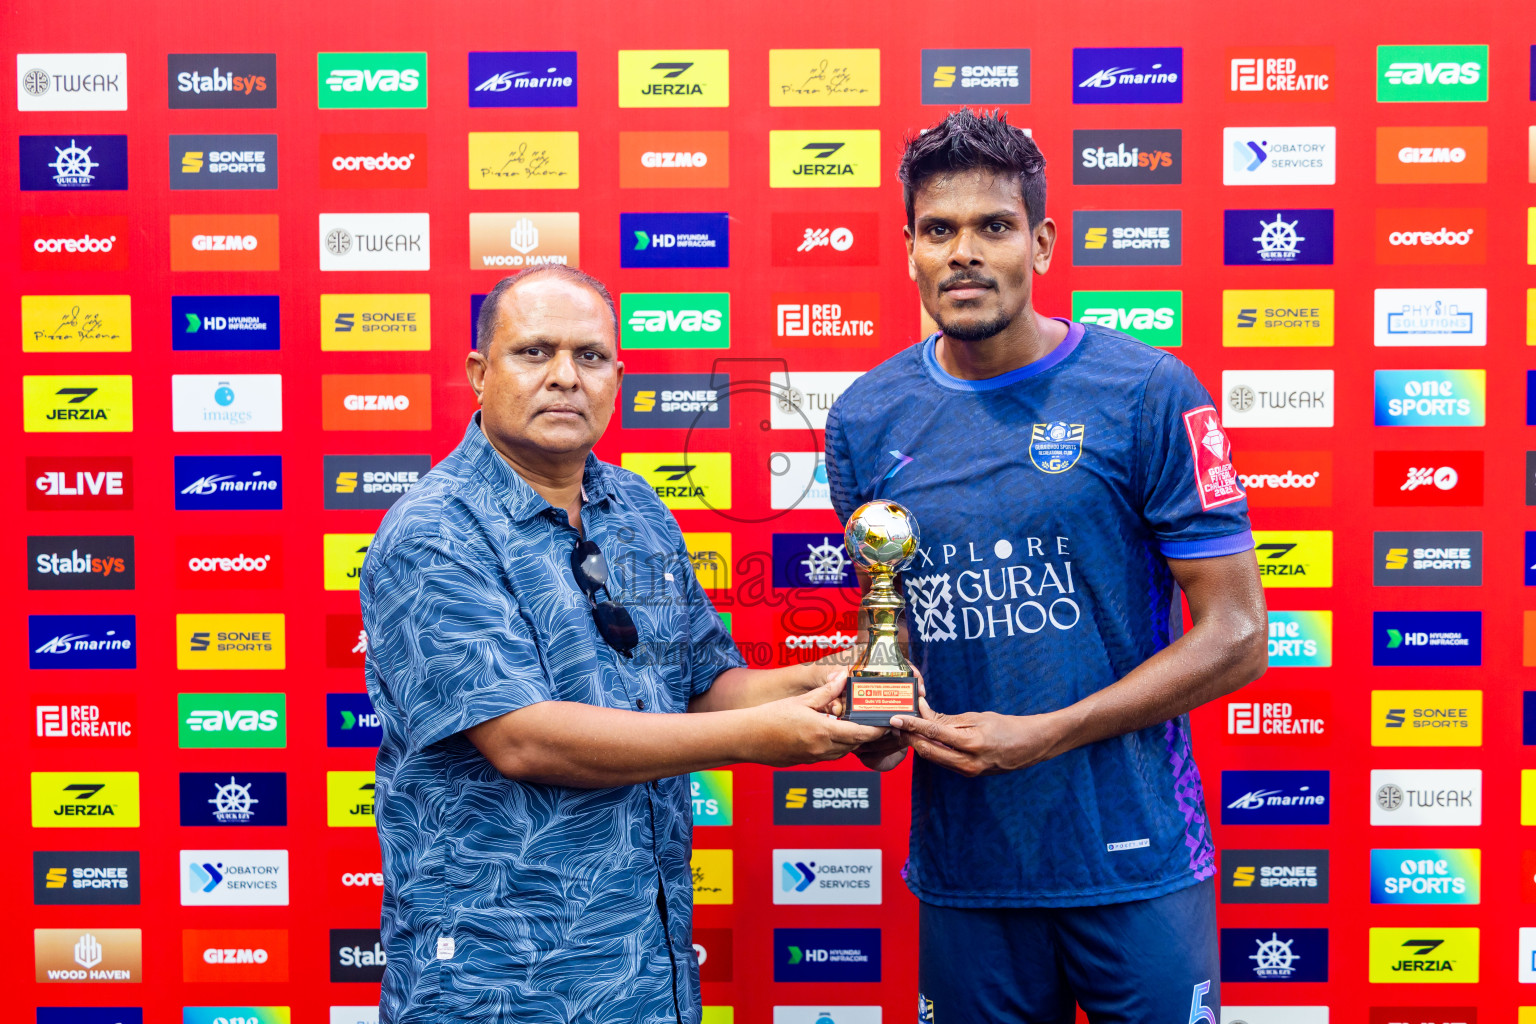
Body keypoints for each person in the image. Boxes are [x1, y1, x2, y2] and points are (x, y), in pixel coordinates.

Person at [824, 109, 1268, 1023]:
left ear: (1043, 241)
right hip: (968, 869)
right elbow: (894, 634)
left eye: (994, 226)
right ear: (908, 248)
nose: (964, 254)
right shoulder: (866, 417)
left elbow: (1238, 638)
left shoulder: (1147, 391)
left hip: (1134, 857)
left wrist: (1049, 732)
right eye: (939, 231)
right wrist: (874, 718)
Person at [361, 265, 886, 1024]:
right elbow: (523, 739)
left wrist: (827, 686)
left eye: (591, 356)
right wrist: (757, 738)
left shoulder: (635, 507)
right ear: (479, 373)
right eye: (534, 353)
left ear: (618, 378)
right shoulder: (433, 531)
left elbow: (707, 681)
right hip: (502, 979)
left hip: (646, 967)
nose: (565, 378)